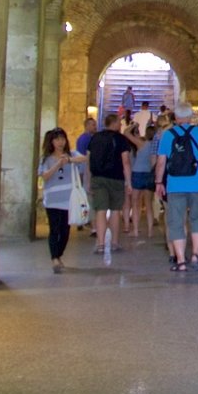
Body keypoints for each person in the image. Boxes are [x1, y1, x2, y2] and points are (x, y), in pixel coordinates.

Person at [153, 105, 198, 272]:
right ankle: (195, 254)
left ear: (176, 118)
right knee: (197, 218)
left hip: (175, 184)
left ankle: (180, 261)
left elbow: (161, 162)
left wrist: (159, 183)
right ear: (191, 116)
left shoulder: (168, 135)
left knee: (176, 222)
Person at [35, 128, 88, 273]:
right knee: (54, 229)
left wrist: (69, 160)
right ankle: (54, 258)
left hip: (68, 199)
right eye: (57, 139)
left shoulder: (72, 154)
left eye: (62, 139)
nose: (60, 142)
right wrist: (57, 164)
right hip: (52, 199)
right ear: (51, 141)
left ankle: (58, 254)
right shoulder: (46, 159)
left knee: (65, 230)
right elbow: (44, 176)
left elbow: (85, 158)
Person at [83, 112, 133, 262]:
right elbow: (125, 162)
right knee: (116, 210)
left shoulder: (95, 138)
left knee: (100, 210)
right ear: (115, 123)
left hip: (98, 177)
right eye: (119, 122)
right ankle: (115, 242)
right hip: (116, 178)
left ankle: (100, 243)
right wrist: (129, 182)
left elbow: (88, 159)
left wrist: (89, 179)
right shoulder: (121, 139)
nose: (120, 125)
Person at [126, 120, 159, 238]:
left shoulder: (141, 143)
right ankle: (150, 231)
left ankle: (135, 230)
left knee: (135, 203)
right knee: (149, 204)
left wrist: (134, 125)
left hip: (137, 173)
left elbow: (126, 133)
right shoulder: (157, 146)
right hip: (150, 174)